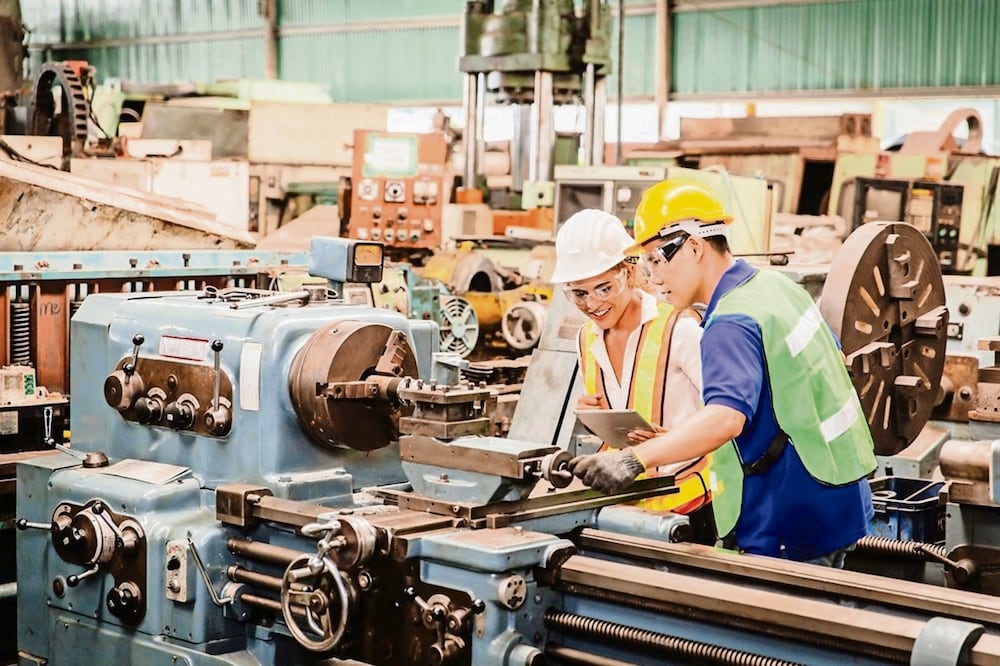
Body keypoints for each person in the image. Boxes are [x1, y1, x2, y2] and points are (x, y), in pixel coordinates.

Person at [567, 180, 876, 567]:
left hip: (787, 512)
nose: (655, 279)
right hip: (838, 493)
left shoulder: (730, 321)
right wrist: (673, 437)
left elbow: (726, 418)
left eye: (657, 261)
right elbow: (800, 378)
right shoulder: (775, 287)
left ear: (694, 247)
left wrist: (633, 460)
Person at [551, 209, 712, 524]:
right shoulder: (586, 338)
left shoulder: (679, 329)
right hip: (622, 506)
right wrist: (593, 418)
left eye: (604, 288)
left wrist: (674, 439)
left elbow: (729, 418)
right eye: (579, 294)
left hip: (689, 504)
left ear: (628, 272)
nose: (592, 304)